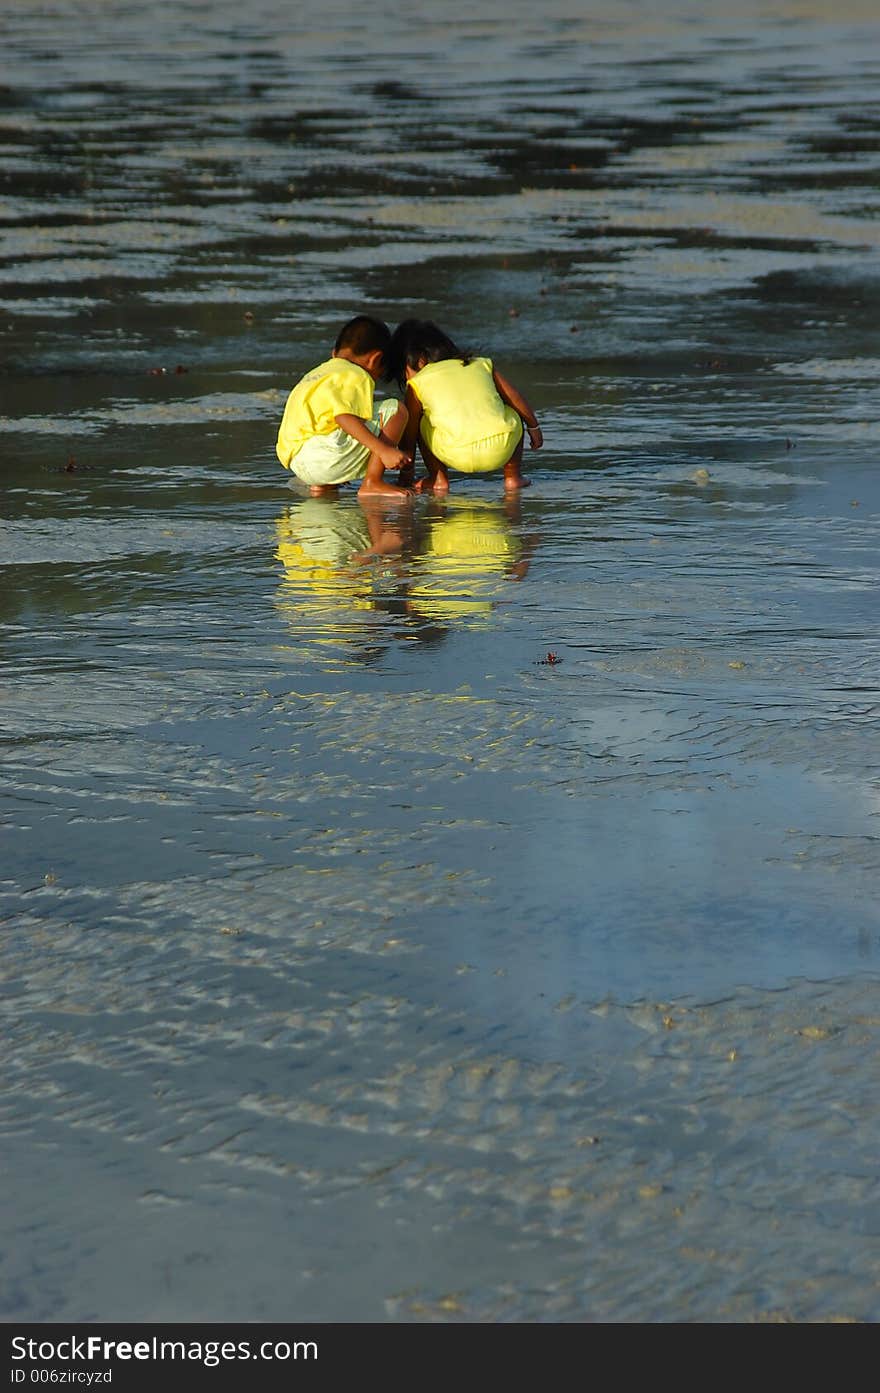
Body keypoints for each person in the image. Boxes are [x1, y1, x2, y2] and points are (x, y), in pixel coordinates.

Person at [386, 319, 543, 494]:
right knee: (512, 412)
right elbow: (515, 397)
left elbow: (410, 434)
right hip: (501, 448)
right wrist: (534, 427)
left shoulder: (417, 383)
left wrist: (406, 473)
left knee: (421, 421)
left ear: (419, 360)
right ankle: (513, 477)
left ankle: (438, 479)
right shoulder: (481, 364)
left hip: (454, 451)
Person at [275, 315, 412, 499]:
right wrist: (383, 450)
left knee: (345, 420)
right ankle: (373, 482)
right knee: (395, 410)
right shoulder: (355, 374)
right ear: (375, 360)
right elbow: (344, 417)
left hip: (296, 462)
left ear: (334, 353)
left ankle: (322, 486)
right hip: (324, 458)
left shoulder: (316, 374)